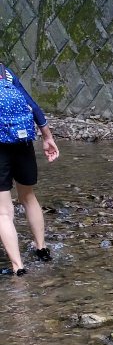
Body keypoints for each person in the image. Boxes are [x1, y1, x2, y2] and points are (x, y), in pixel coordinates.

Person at [0, 63, 59, 276]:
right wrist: (47, 136)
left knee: (3, 211)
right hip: (21, 140)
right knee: (28, 197)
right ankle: (41, 249)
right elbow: (30, 103)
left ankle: (18, 267)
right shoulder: (4, 72)